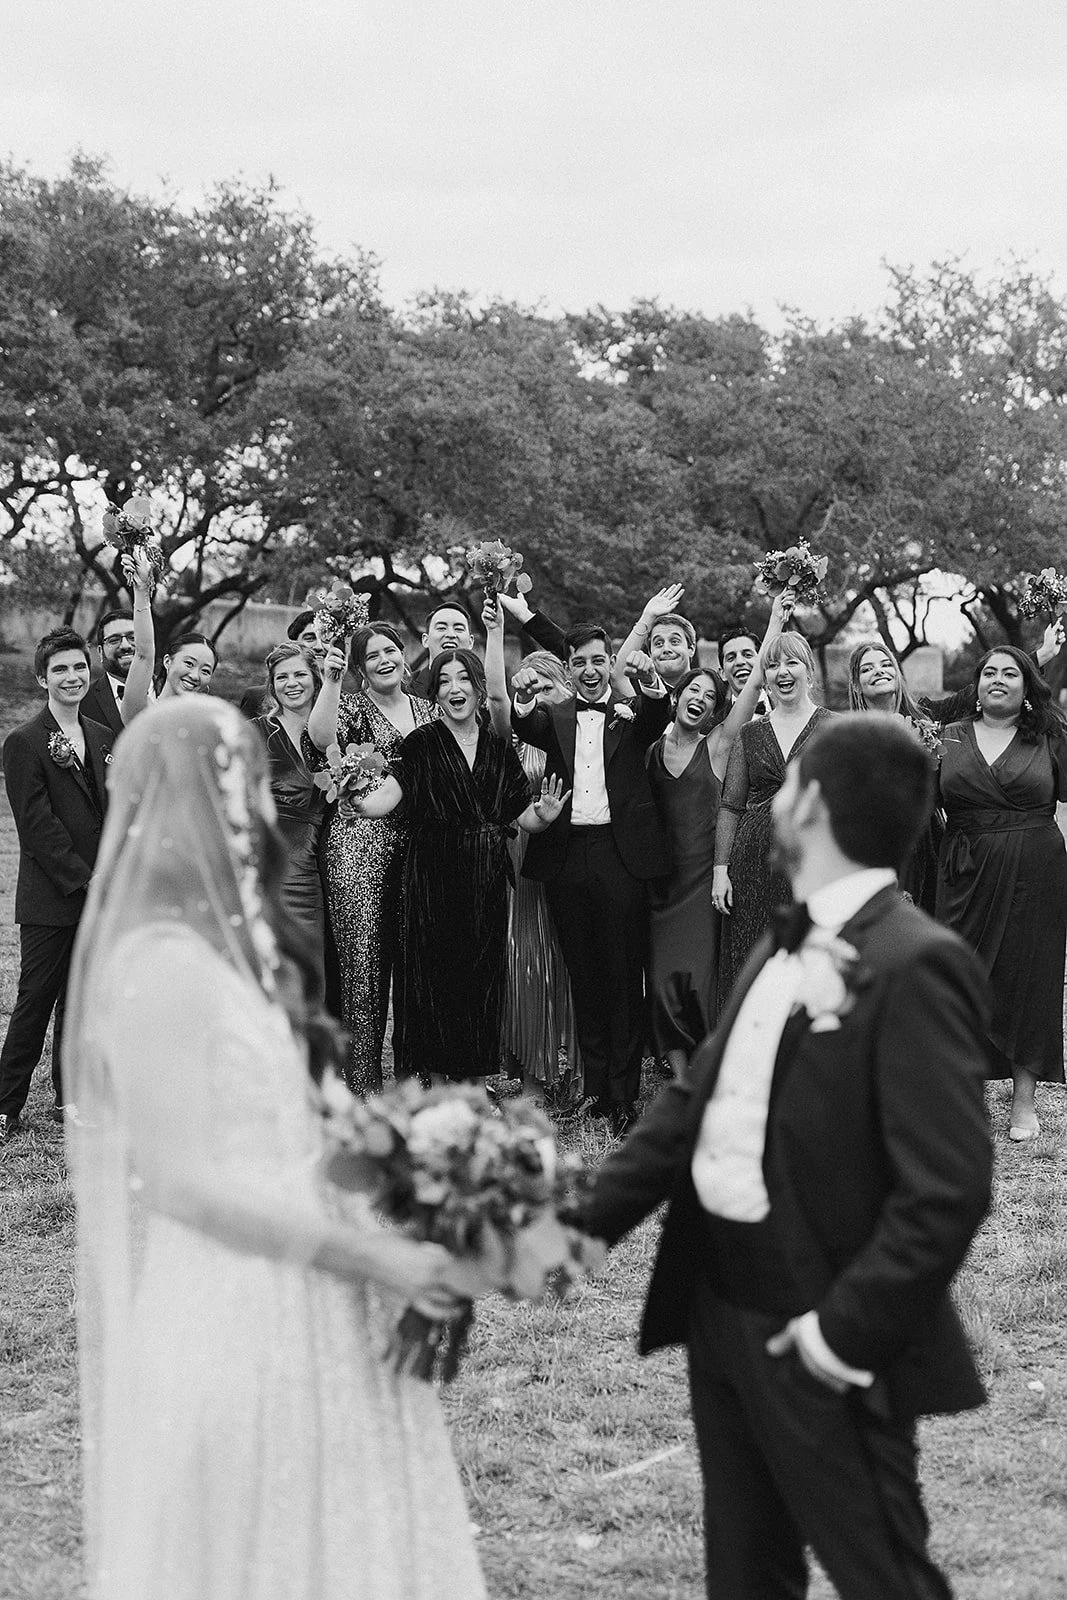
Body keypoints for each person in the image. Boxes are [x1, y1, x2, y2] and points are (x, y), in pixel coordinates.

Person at [63, 696, 491, 1599]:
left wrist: (422, 1173)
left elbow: (313, 1115)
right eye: (247, 788)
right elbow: (179, 1185)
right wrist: (365, 1252)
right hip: (240, 1295)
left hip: (330, 1300)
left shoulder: (251, 952)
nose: (264, 808)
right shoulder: (162, 968)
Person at [583, 713, 994, 1600]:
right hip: (715, 1307)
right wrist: (564, 1230)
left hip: (820, 1328)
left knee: (883, 1576)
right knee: (744, 1576)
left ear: (806, 804)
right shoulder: (779, 938)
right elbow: (690, 1107)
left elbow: (947, 1191)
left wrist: (836, 1338)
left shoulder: (916, 960)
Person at [347, 649, 568, 1083]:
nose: (454, 688)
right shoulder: (421, 742)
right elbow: (388, 797)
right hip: (433, 873)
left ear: (477, 686)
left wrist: (544, 814)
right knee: (435, 977)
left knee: (480, 977)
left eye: (463, 679)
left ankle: (471, 1081)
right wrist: (356, 796)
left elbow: (522, 817)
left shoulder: (497, 746)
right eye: (444, 681)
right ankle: (439, 1080)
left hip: (485, 877)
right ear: (435, 692)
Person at [512, 624, 672, 1136]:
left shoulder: (630, 716)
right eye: (579, 661)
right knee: (584, 977)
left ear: (609, 663)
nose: (589, 669)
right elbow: (523, 720)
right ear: (569, 665)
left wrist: (648, 680)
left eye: (598, 660)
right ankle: (598, 1091)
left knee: (624, 977)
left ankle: (625, 1097)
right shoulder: (553, 717)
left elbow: (657, 712)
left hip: (620, 857)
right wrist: (519, 697)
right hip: (567, 859)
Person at [647, 592, 793, 1069]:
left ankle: (708, 1070)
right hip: (660, 882)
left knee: (703, 980)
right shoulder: (647, 746)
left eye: (710, 698)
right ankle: (679, 1075)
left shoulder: (719, 745)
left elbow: (751, 686)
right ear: (678, 693)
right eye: (694, 690)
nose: (700, 700)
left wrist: (773, 621)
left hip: (704, 876)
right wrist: (648, 618)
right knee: (663, 977)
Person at [936, 646, 1067, 1140]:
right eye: (989, 672)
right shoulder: (947, 737)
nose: (998, 679)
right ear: (976, 685)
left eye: (1010, 673)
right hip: (963, 870)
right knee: (959, 978)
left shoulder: (1050, 735)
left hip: (1037, 871)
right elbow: (923, 803)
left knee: (1029, 978)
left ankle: (1024, 1100)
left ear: (1027, 686)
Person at [307, 624, 438, 1093]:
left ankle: (414, 1079)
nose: (384, 659)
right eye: (373, 655)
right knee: (362, 964)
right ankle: (360, 1081)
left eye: (391, 651)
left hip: (420, 848)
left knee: (416, 963)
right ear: (360, 668)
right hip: (359, 842)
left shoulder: (430, 710)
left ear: (404, 657)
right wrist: (330, 680)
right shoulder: (350, 707)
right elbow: (322, 738)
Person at [0, 629, 113, 1142]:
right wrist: (85, 882)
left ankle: (69, 1099)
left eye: (79, 668)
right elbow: (37, 825)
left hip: (100, 893)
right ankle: (6, 1105)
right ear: (42, 677)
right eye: (60, 670)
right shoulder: (24, 741)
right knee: (35, 1001)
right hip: (52, 897)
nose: (72, 677)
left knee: (80, 1002)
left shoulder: (102, 735)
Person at [713, 630, 832, 1010]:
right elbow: (731, 804)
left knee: (809, 959)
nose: (783, 671)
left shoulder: (835, 727)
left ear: (809, 671)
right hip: (752, 864)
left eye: (792, 662)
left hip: (811, 863)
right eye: (773, 664)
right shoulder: (750, 733)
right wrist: (720, 869)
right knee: (753, 959)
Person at [254, 644, 330, 988]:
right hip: (268, 862)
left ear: (316, 679)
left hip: (313, 866)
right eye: (281, 677)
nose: (291, 683)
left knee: (305, 971)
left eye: (299, 674)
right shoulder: (257, 731)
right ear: (272, 686)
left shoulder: (332, 732)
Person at [847, 641, 944, 910]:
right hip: (880, 847)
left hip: (929, 844)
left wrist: (1040, 655)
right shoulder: (852, 737)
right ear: (856, 685)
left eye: (886, 664)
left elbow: (971, 698)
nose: (879, 671)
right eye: (867, 669)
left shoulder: (925, 718)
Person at [120, 554, 218, 724]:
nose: (195, 675)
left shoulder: (205, 728)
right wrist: (142, 589)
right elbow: (144, 654)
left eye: (205, 671)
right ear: (167, 661)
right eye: (189, 663)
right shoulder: (142, 714)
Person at [612, 584, 693, 694]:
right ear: (650, 653)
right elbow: (618, 674)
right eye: (658, 643)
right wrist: (648, 616)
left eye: (674, 641)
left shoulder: (711, 690)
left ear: (691, 649)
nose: (666, 649)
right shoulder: (642, 697)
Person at [82, 609, 137, 735]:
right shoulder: (83, 702)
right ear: (100, 652)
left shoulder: (171, 690)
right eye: (114, 640)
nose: (125, 646)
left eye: (133, 637)